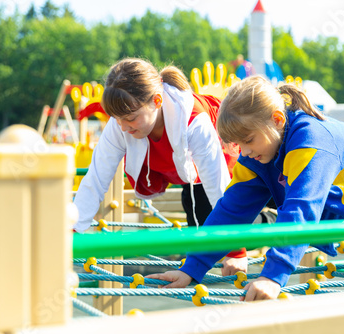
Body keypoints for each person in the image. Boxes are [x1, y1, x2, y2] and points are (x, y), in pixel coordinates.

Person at [146, 75, 344, 301]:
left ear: (277, 119)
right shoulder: (259, 154)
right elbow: (230, 209)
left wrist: (273, 275)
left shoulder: (310, 142)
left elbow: (301, 209)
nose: (244, 150)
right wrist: (192, 267)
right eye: (238, 144)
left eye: (248, 140)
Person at [73, 58, 270, 265]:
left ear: (157, 101)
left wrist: (236, 250)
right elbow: (96, 177)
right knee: (203, 236)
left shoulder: (193, 120)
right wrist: (74, 228)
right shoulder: (121, 123)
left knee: (238, 212)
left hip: (236, 157)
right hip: (190, 175)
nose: (122, 126)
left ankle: (276, 223)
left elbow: (217, 185)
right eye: (117, 118)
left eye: (130, 118)